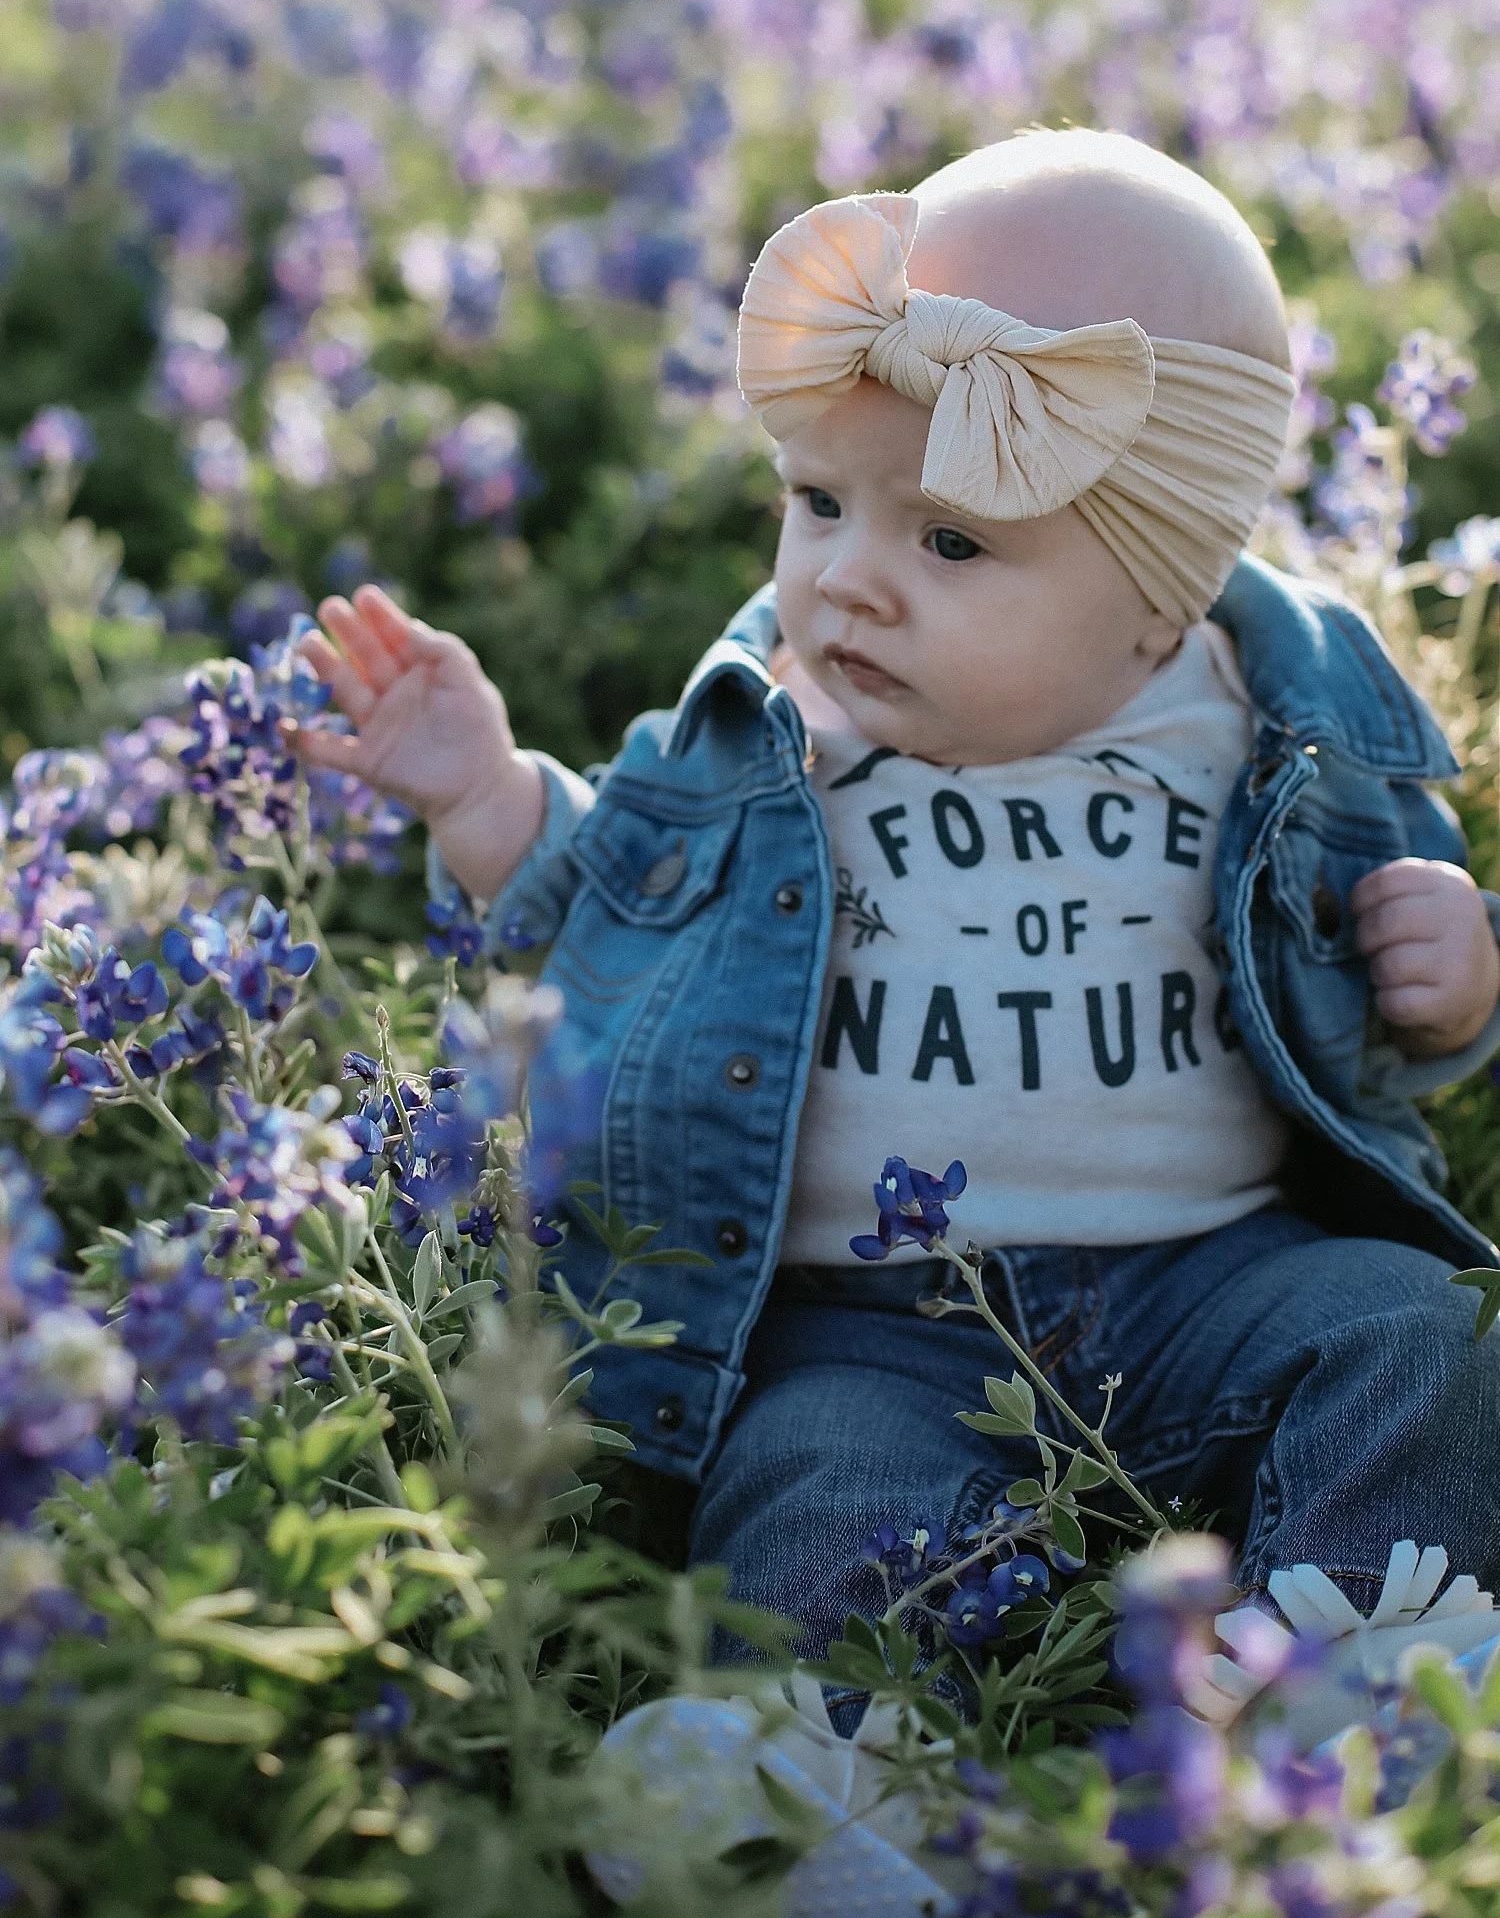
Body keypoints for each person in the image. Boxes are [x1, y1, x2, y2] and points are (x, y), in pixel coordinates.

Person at [294, 129, 1500, 1729]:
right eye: (815, 503)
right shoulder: (778, 737)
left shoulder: (1269, 726)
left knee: (1415, 1337)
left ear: (1162, 591)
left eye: (947, 540)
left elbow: (1383, 1000)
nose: (846, 586)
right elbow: (609, 899)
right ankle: (821, 1786)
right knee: (808, 1502)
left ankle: (1352, 1694)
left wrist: (1454, 983)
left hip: (1220, 1276)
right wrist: (487, 794)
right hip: (883, 1331)